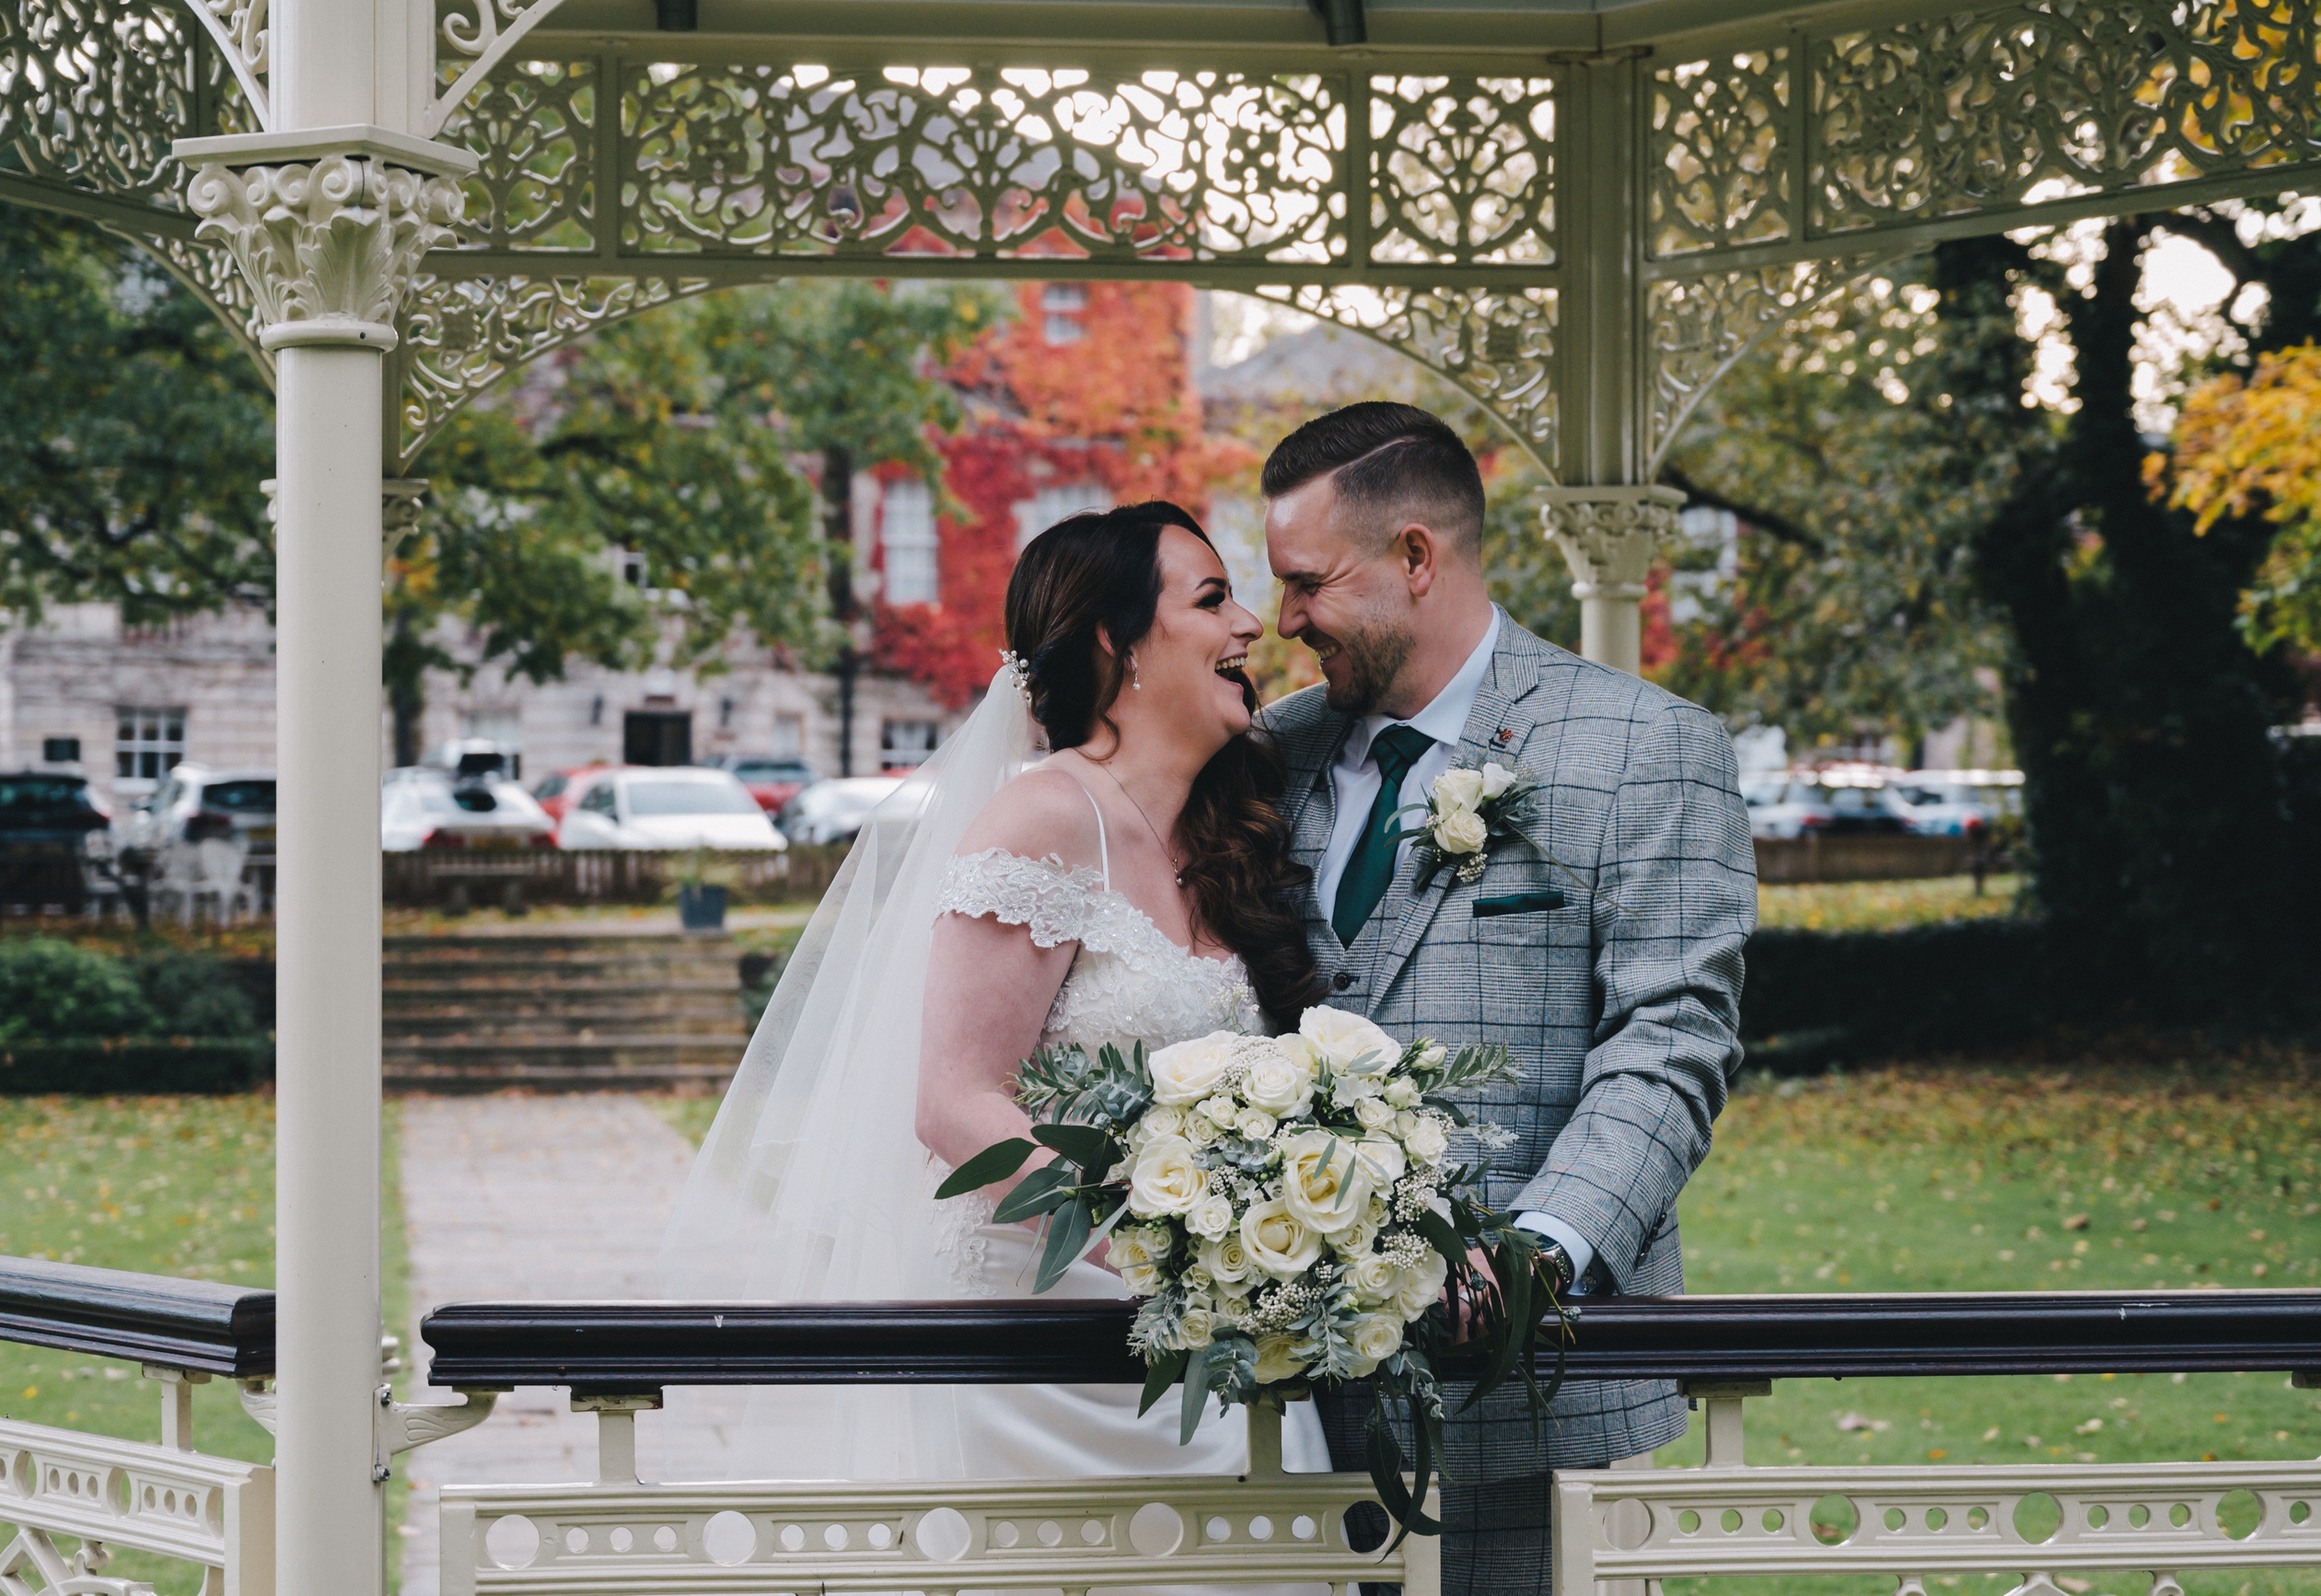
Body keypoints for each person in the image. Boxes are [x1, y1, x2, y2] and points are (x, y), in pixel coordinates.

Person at [660, 501, 1335, 1578]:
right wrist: (1172, 1245)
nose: (1250, 623)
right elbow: (956, 1103)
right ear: (1119, 644)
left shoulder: (1222, 837)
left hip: (1215, 1347)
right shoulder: (1046, 819)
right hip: (1048, 1365)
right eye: (1212, 599)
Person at [1256, 402, 1753, 1596]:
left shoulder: (1648, 743)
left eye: (1307, 583)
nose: (1283, 621)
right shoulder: (1268, 755)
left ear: (1416, 559)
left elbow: (1675, 1033)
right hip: (1279, 1415)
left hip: (1532, 1412)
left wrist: (1544, 1252)